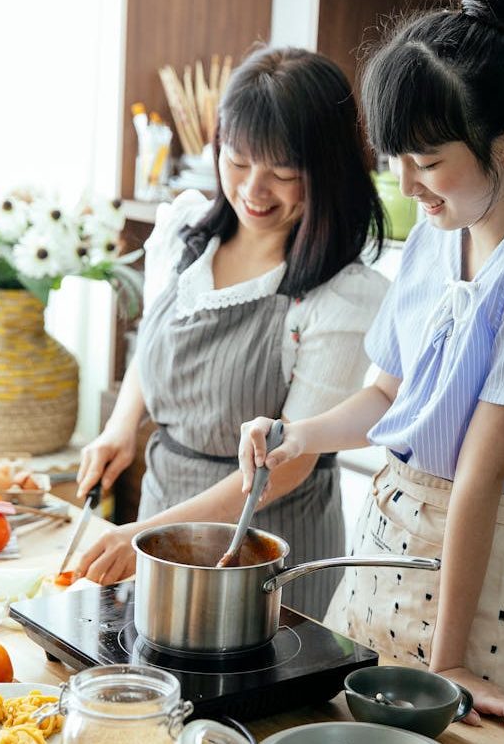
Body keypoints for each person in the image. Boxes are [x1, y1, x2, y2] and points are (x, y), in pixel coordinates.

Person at [239, 0, 504, 740]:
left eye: (428, 161)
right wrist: (296, 433)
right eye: (396, 160)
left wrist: (450, 665)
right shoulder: (443, 230)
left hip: (494, 571)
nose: (407, 185)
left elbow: (482, 471)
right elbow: (389, 392)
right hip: (389, 545)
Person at [74, 46, 388, 620]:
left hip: (266, 545)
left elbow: (289, 462)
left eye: (283, 172)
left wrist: (143, 535)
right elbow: (154, 342)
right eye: (238, 162)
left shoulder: (339, 296)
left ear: (326, 168)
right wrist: (121, 428)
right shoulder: (186, 231)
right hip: (166, 502)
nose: (253, 190)